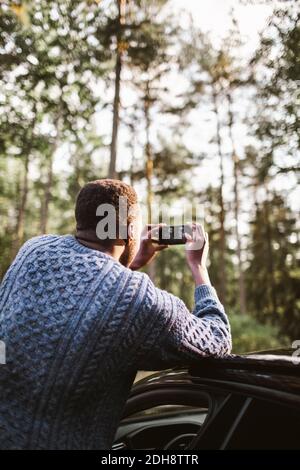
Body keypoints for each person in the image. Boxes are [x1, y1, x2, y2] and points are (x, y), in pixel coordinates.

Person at [0, 179, 231, 450]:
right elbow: (217, 339)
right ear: (130, 229)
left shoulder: (34, 250)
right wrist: (199, 268)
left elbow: (91, 293)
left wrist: (128, 263)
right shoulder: (136, 297)